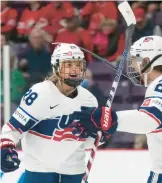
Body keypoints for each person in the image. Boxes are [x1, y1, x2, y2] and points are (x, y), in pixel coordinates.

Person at [73, 36, 162, 183]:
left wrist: (110, 118)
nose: (132, 65)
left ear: (147, 61)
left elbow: (147, 120)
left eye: (135, 60)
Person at [0, 43, 117, 183]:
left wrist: (104, 133)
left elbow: (85, 142)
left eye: (78, 64)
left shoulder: (89, 100)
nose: (74, 68)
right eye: (68, 64)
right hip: (40, 170)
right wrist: (6, 147)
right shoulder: (40, 94)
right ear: (56, 67)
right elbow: (13, 128)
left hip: (74, 171)